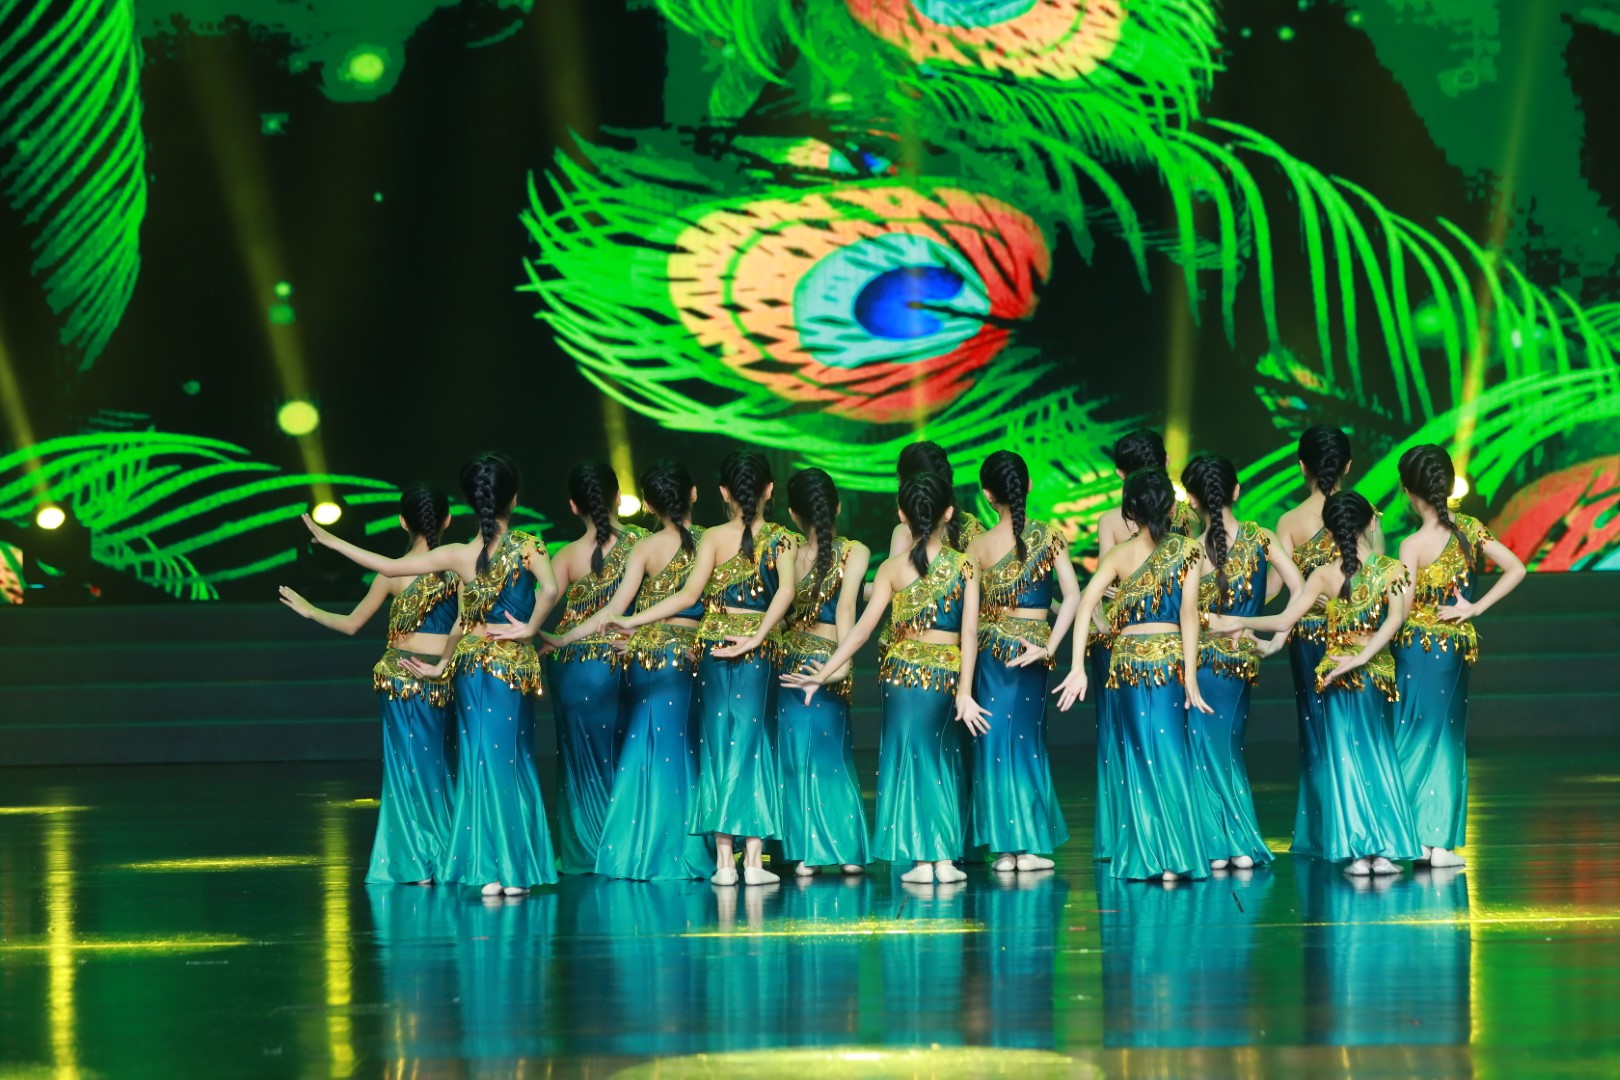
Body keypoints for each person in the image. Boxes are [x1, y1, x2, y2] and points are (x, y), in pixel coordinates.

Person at [304, 452, 561, 895]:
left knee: (481, 763)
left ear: (471, 504)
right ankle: (508, 869)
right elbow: (551, 589)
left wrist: (335, 543)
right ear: (514, 499)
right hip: (511, 666)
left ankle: (491, 869)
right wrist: (528, 628)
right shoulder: (529, 545)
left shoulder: (459, 554)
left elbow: (391, 568)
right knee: (509, 762)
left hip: (472, 668)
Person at [784, 471, 991, 885]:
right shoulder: (965, 565)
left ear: (902, 516)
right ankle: (940, 857)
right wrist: (966, 691)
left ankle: (924, 859)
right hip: (945, 676)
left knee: (910, 759)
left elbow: (862, 630)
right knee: (937, 759)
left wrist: (822, 671)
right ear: (949, 513)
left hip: (902, 677)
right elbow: (969, 633)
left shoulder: (893, 568)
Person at [608, 451, 797, 886]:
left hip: (713, 645)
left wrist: (633, 620)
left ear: (723, 493)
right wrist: (757, 636)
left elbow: (688, 596)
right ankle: (754, 862)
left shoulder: (711, 536)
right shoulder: (783, 539)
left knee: (718, 745)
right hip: (756, 652)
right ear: (770, 490)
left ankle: (725, 864)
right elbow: (786, 593)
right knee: (752, 744)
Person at [1210, 491, 1420, 876]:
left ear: (1331, 530)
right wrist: (1362, 657)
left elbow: (1284, 619)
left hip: (1342, 674)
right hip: (1366, 675)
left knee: (1346, 758)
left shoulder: (1325, 574)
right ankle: (1380, 851)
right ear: (1371, 523)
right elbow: (1395, 620)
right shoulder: (1390, 568)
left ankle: (1360, 851)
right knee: (1374, 754)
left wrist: (1239, 622)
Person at [280, 484, 457, 885]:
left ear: (402, 522)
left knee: (407, 769)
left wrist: (311, 611)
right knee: (439, 764)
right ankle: (443, 854)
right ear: (447, 520)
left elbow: (351, 624)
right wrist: (444, 660)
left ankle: (416, 860)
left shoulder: (392, 572)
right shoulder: (460, 564)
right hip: (440, 676)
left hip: (400, 677)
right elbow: (467, 623)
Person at [554, 459, 715, 880]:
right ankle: (685, 851)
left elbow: (614, 610)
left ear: (647, 504)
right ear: (694, 493)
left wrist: (566, 638)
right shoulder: (712, 541)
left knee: (645, 753)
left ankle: (634, 852)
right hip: (691, 658)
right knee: (688, 751)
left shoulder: (644, 547)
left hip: (647, 659)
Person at [1053, 468, 1213, 882]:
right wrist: (1190, 675)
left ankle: (1150, 858)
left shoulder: (1119, 555)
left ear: (1130, 509)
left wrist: (1077, 667)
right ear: (1170, 507)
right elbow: (1189, 615)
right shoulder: (1188, 550)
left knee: (1140, 757)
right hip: (1168, 662)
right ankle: (1175, 856)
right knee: (1170, 754)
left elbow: (1085, 606)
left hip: (1129, 664)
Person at [488, 462, 647, 874]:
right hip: (628, 657)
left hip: (574, 667)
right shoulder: (644, 543)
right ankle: (629, 847)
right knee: (634, 755)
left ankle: (586, 851)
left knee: (581, 764)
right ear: (618, 497)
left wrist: (523, 630)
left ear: (574, 506)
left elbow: (537, 602)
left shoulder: (566, 555)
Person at [1392, 444, 1525, 868]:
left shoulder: (1410, 545)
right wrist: (1474, 607)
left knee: (1410, 736)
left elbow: (1401, 611)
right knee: (1446, 740)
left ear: (1409, 492)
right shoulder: (1469, 529)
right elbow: (1517, 567)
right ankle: (1439, 845)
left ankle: (1409, 837)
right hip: (1451, 650)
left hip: (1413, 650)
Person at [1180, 454, 1303, 871]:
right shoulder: (1260, 537)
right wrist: (1274, 639)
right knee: (1224, 747)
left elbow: (1185, 613)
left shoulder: (1190, 550)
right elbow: (1300, 589)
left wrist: (1244, 624)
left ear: (1192, 500)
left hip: (1199, 661)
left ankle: (1225, 843)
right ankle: (1234, 843)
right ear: (1236, 490)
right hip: (1238, 664)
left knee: (1205, 749)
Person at [1088, 429, 1199, 863]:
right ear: (1166, 462)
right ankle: (1177, 840)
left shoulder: (1112, 521)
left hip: (1123, 638)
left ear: (1120, 473)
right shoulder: (1185, 518)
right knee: (1174, 736)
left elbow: (1104, 592)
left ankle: (1127, 838)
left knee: (1122, 733)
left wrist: (1107, 616)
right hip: (1177, 638)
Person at [966, 450, 1080, 872]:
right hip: (1032, 650)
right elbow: (1073, 596)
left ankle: (1006, 847)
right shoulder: (1049, 536)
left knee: (995, 743)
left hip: (990, 652)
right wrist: (1049, 647)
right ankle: (1025, 845)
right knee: (1026, 742)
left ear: (987, 494)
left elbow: (970, 617)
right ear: (1028, 485)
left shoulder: (977, 546)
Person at [1273, 425, 1384, 856]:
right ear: (1348, 466)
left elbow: (1281, 590)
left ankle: (1325, 833)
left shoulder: (1289, 522)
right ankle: (1363, 828)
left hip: (1309, 637)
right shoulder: (1366, 514)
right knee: (1360, 732)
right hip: (1358, 638)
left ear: (1301, 466)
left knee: (1317, 730)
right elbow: (1378, 578)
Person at [776, 468, 872, 876]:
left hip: (790, 665)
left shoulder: (788, 551)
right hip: (827, 663)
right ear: (838, 507)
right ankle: (846, 850)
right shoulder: (856, 551)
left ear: (793, 513)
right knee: (831, 758)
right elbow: (846, 610)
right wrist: (840, 668)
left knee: (796, 759)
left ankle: (805, 854)